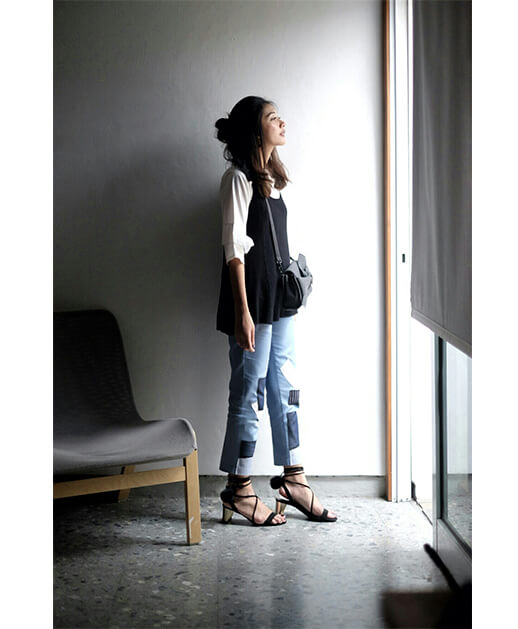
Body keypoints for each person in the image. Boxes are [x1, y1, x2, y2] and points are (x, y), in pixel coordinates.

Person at [213, 96, 336, 527]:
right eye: (272, 118)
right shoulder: (237, 179)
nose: (282, 122)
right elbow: (234, 252)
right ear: (255, 129)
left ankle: (294, 478)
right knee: (249, 392)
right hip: (251, 301)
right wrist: (243, 312)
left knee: (286, 386)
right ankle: (239, 488)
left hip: (279, 300)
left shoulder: (273, 180)